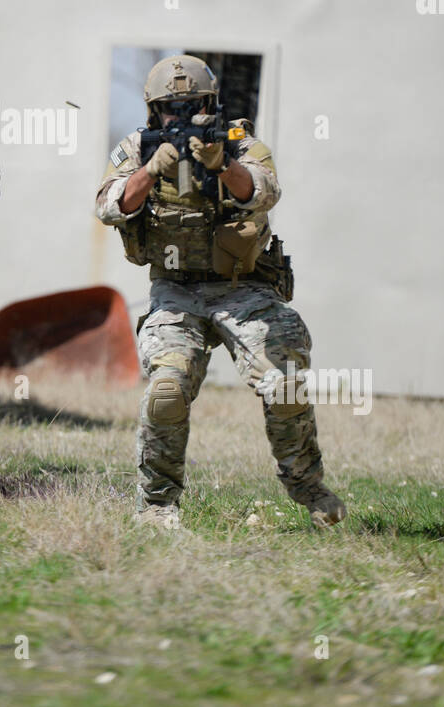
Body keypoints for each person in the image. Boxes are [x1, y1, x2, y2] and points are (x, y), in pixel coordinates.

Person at [95, 53, 346, 531]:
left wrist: (223, 164)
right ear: (154, 111)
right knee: (166, 390)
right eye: (172, 107)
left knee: (285, 380)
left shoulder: (238, 141)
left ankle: (308, 486)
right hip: (175, 291)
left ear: (211, 103)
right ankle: (157, 505)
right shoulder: (135, 146)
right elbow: (108, 207)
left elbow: (265, 191)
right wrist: (150, 171)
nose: (182, 115)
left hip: (242, 289)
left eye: (193, 105)